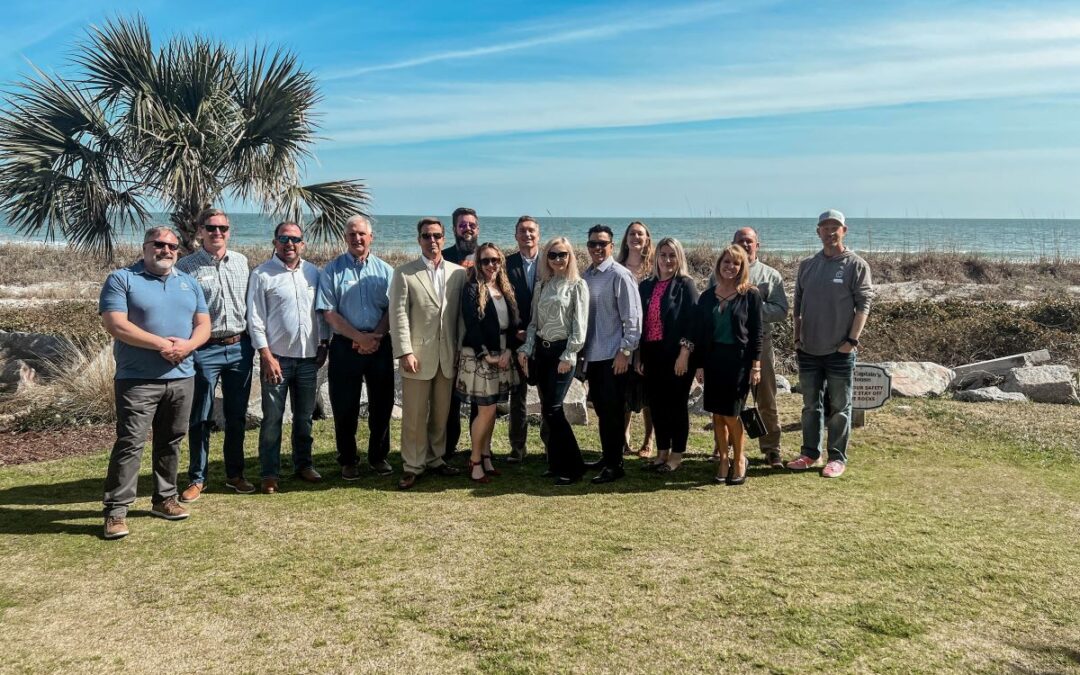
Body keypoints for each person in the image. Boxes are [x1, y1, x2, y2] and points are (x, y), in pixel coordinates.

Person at [99, 227, 210, 539]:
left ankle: (164, 500)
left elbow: (203, 324)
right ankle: (116, 512)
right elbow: (117, 325)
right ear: (145, 247)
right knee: (130, 443)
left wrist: (186, 347)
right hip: (137, 379)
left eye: (172, 246)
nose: (166, 250)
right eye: (159, 245)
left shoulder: (189, 283)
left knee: (171, 441)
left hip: (182, 376)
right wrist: (163, 344)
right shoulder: (122, 279)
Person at [786, 209, 873, 479]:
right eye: (825, 227)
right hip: (809, 350)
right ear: (818, 232)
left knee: (840, 407)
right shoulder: (807, 265)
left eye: (835, 227)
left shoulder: (856, 265)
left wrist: (851, 341)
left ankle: (837, 458)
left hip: (840, 351)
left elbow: (864, 306)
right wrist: (797, 338)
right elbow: (797, 307)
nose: (830, 231)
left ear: (844, 231)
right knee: (811, 406)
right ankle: (810, 453)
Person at [176, 208, 255, 503]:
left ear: (229, 231)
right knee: (201, 416)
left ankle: (235, 474)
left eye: (223, 228)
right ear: (200, 231)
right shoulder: (186, 266)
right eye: (211, 228)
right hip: (204, 349)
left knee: (236, 416)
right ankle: (198, 478)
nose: (217, 233)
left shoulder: (242, 262)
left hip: (239, 347)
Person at [248, 222, 328, 494]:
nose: (289, 244)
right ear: (275, 242)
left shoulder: (313, 273)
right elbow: (255, 319)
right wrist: (266, 355)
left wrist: (324, 343)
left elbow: (321, 313)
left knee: (304, 417)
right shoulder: (262, 275)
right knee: (272, 419)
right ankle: (270, 473)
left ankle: (303, 465)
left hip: (308, 359)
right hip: (277, 360)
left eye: (295, 239)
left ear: (303, 244)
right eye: (284, 238)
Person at [389, 218, 467, 489]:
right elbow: (397, 314)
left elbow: (460, 316)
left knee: (441, 413)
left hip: (447, 355)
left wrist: (459, 349)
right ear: (419, 239)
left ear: (444, 238)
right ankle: (413, 465)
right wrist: (404, 351)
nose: (431, 240)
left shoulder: (458, 273)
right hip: (417, 355)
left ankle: (436, 459)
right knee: (414, 414)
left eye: (436, 235)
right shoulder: (404, 273)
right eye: (426, 236)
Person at [316, 215, 395, 479]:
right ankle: (348, 459)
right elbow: (329, 312)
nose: (357, 238)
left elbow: (392, 309)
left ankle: (378, 456)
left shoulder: (386, 271)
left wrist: (375, 337)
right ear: (345, 238)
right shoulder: (332, 270)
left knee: (382, 404)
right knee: (344, 405)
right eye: (352, 234)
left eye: (362, 234)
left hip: (380, 344)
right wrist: (358, 338)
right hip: (345, 345)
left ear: (371, 237)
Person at [517, 238, 589, 485]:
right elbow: (533, 323)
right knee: (549, 409)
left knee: (554, 409)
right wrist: (526, 349)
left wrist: (569, 355)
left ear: (570, 257)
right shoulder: (542, 285)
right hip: (543, 353)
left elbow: (580, 327)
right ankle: (556, 463)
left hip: (562, 353)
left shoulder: (577, 286)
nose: (558, 259)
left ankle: (574, 466)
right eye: (553, 255)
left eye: (563, 254)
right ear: (546, 258)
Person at [693, 245, 762, 486]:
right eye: (726, 263)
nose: (730, 267)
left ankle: (740, 458)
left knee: (732, 414)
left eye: (736, 263)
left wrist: (756, 366)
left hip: (739, 361)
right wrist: (699, 365)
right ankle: (723, 459)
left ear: (742, 267)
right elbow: (701, 334)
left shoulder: (750, 295)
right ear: (719, 265)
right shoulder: (708, 296)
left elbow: (756, 334)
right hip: (713, 359)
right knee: (717, 414)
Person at [582, 224, 642, 484]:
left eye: (602, 244)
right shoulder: (587, 275)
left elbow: (633, 318)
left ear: (611, 245)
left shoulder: (620, 275)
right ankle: (608, 456)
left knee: (614, 412)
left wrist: (625, 351)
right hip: (593, 355)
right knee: (602, 412)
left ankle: (615, 465)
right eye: (593, 243)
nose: (597, 248)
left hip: (613, 356)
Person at [456, 243, 520, 483]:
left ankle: (486, 456)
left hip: (502, 353)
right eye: (485, 261)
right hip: (480, 356)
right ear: (478, 264)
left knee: (493, 411)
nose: (491, 265)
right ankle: (474, 460)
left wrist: (509, 351)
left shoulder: (504, 288)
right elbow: (472, 326)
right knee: (486, 410)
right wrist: (487, 355)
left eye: (495, 260)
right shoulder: (473, 289)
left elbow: (513, 326)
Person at [637, 238, 699, 473]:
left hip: (677, 355)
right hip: (652, 353)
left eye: (672, 255)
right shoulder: (646, 286)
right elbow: (641, 323)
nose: (667, 260)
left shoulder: (685, 285)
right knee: (657, 404)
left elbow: (693, 322)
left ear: (679, 258)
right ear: (656, 257)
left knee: (676, 405)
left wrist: (684, 353)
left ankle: (676, 454)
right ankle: (661, 452)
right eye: (663, 254)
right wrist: (640, 356)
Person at [733, 227, 790, 469]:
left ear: (758, 245)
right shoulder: (724, 270)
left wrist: (752, 310)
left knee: (766, 399)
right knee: (730, 400)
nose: (745, 245)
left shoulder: (770, 275)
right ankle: (727, 448)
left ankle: (771, 449)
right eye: (740, 241)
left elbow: (781, 310)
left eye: (749, 241)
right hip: (730, 346)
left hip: (761, 344)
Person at [504, 215, 549, 463]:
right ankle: (518, 448)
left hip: (545, 340)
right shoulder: (505, 264)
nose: (527, 235)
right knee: (517, 397)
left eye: (531, 230)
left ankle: (549, 447)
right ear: (516, 236)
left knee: (547, 397)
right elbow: (498, 302)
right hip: (517, 339)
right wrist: (514, 332)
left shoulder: (551, 261)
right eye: (522, 231)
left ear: (538, 235)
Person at [442, 206, 480, 461]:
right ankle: (447, 448)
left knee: (480, 399)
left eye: (471, 225)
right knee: (449, 400)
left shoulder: (487, 257)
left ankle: (479, 449)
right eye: (462, 225)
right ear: (454, 228)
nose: (467, 229)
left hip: (479, 339)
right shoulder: (442, 257)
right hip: (449, 337)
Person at [615, 220, 655, 459]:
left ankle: (649, 440)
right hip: (621, 338)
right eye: (632, 233)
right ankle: (623, 437)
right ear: (626, 238)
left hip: (649, 338)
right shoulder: (617, 266)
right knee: (623, 391)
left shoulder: (654, 268)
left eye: (640, 234)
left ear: (647, 239)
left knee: (648, 393)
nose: (636, 237)